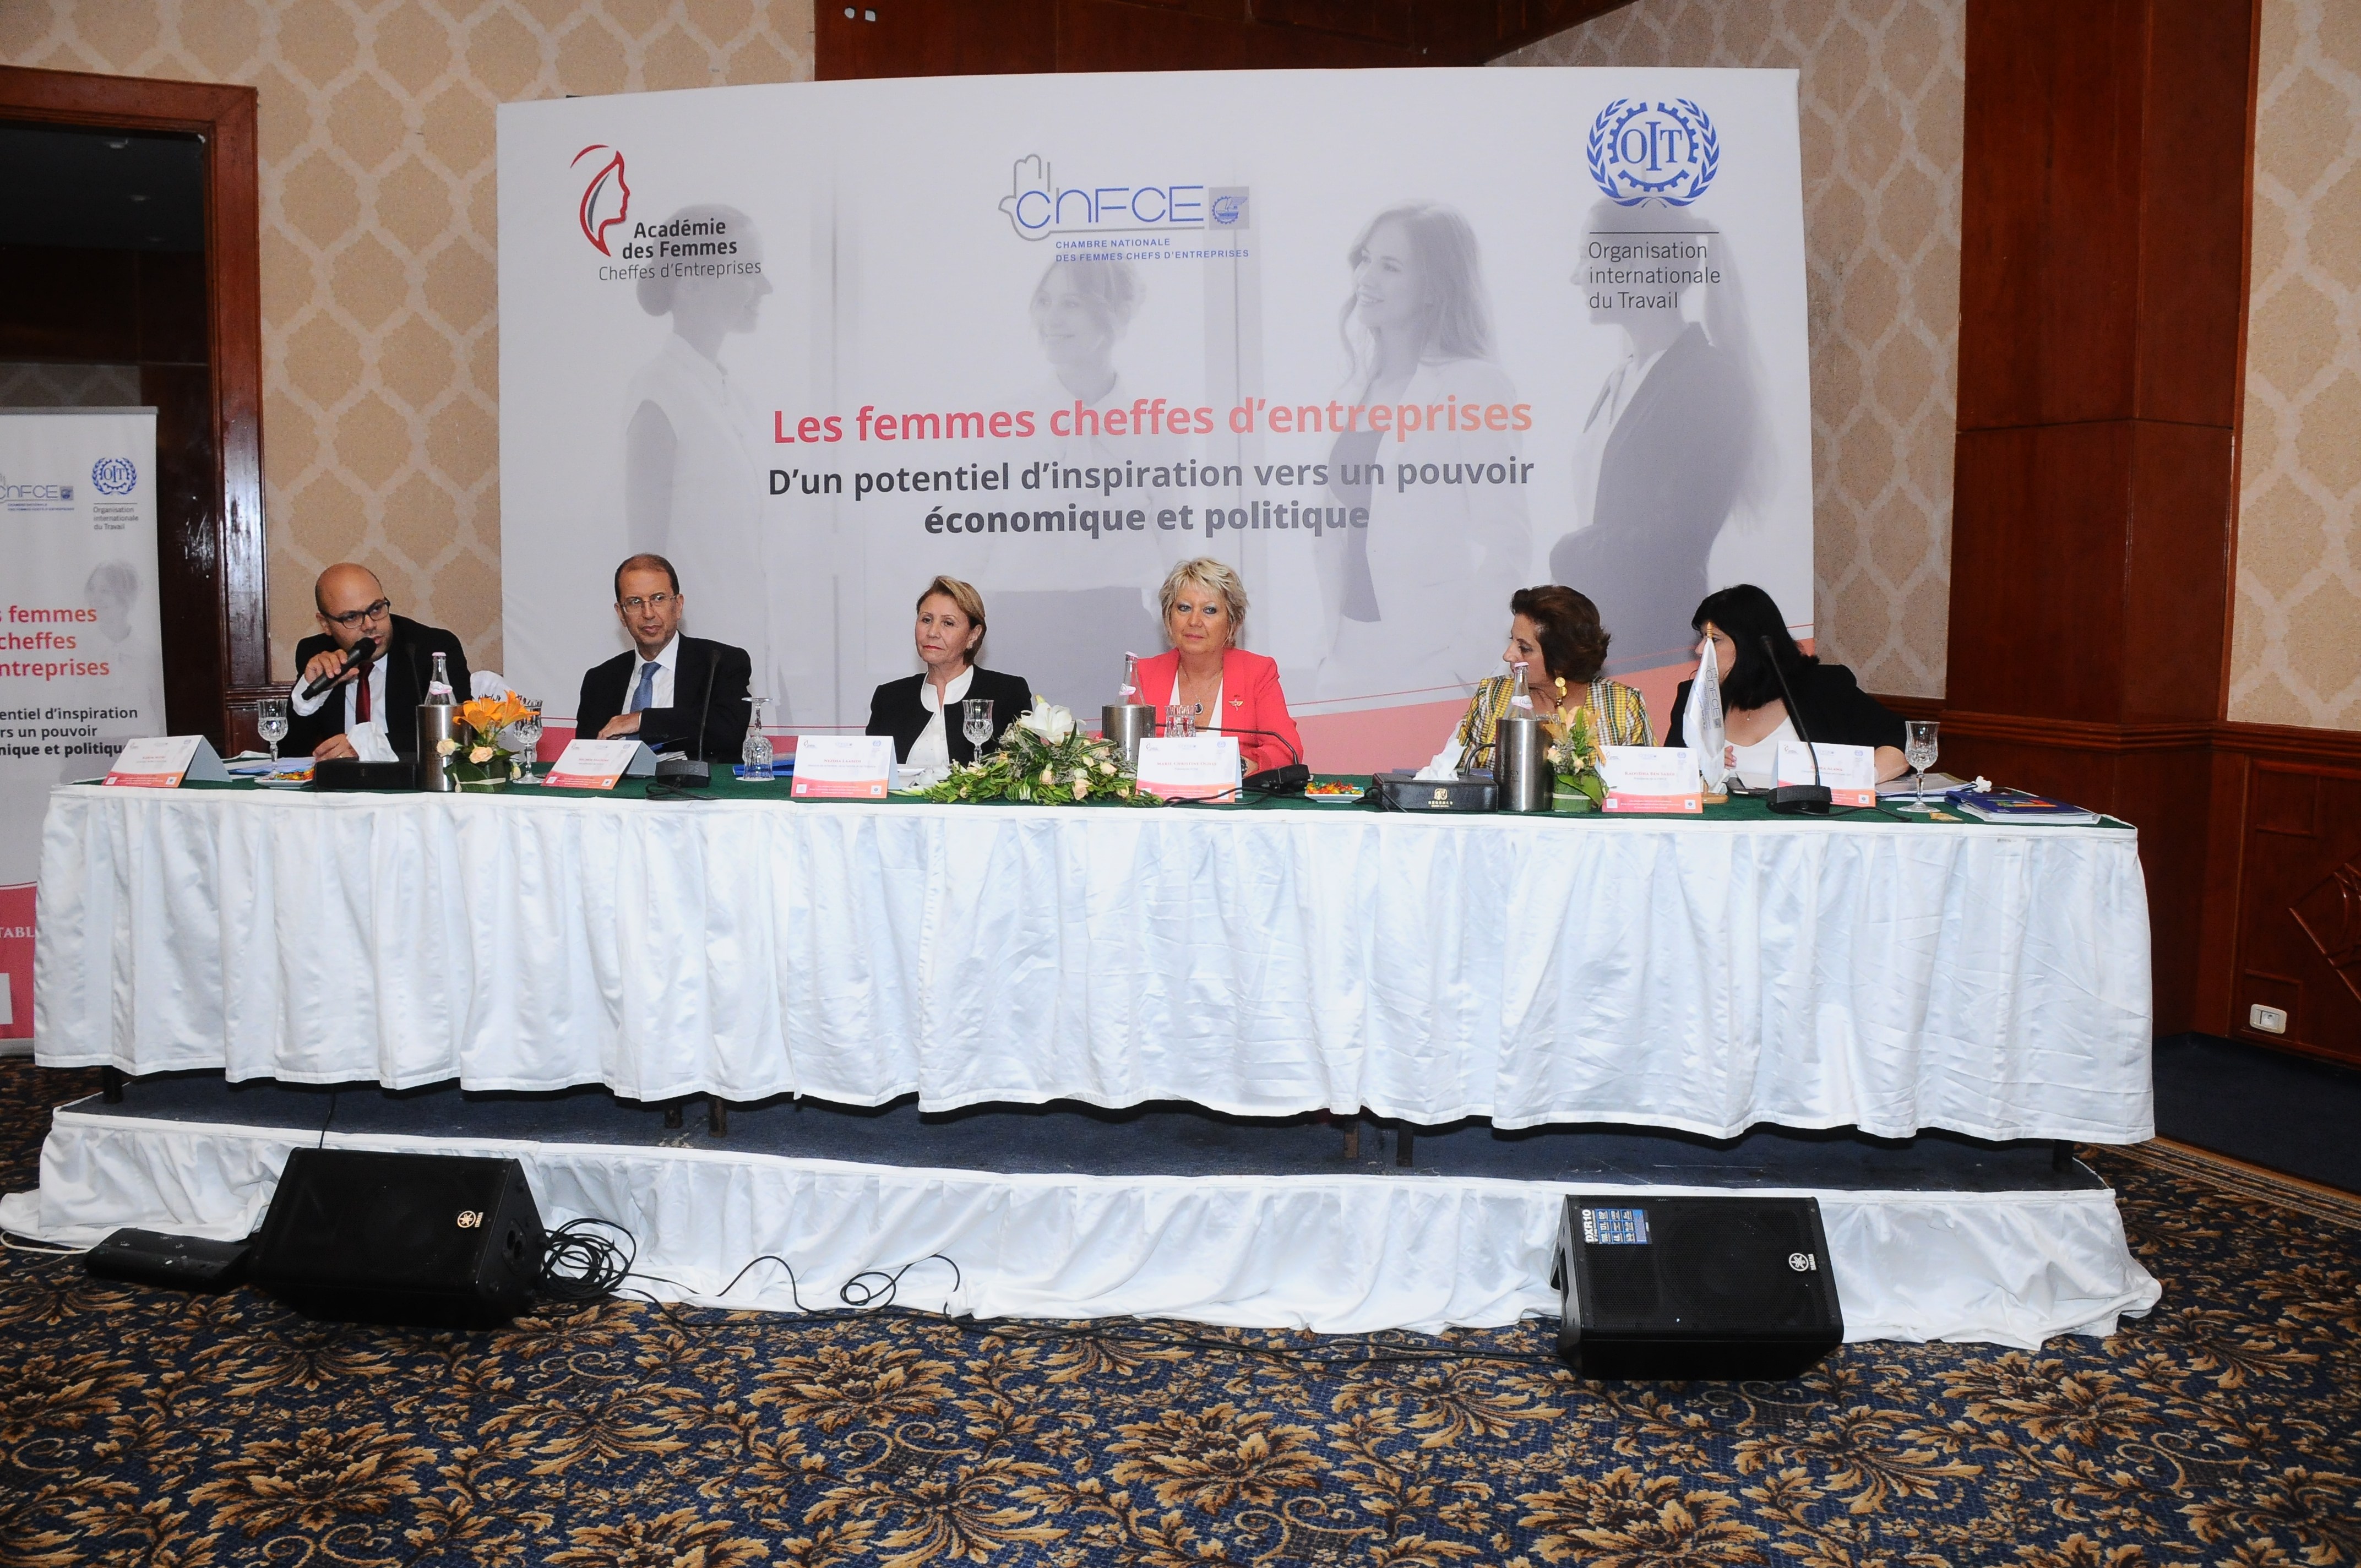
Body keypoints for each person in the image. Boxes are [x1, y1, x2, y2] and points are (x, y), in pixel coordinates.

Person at [1318, 200, 1528, 700]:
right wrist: (1328, 652)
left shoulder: (1475, 385)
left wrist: (1461, 669)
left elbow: (1508, 544)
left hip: (1433, 665)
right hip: (1345, 659)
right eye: (1366, 259)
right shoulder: (1350, 392)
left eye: (1390, 267)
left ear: (1435, 286)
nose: (1367, 278)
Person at [1550, 200, 1766, 676]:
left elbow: (1678, 536)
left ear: (1641, 264)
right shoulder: (1624, 377)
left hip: (1655, 644)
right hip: (1603, 638)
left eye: (1588, 257)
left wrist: (1567, 553)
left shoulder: (1707, 379)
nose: (1577, 277)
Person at [622, 205, 807, 721]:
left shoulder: (734, 397)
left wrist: (774, 676)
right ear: (692, 283)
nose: (765, 287)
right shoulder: (659, 395)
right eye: (748, 270)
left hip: (753, 665)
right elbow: (644, 567)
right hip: (696, 682)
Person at [1663, 584, 1907, 787]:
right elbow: (1669, 775)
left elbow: (1903, 740)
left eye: (1714, 640)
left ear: (1750, 645)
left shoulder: (1823, 688)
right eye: (1702, 638)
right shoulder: (1694, 699)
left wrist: (1859, 778)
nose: (1699, 650)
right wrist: (1698, 768)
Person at [1130, 557, 1303, 776]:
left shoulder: (1257, 673)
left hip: (1236, 797)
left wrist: (1236, 766)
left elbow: (1287, 750)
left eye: (1210, 610)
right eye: (1184, 608)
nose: (1194, 621)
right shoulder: (1144, 674)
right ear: (1168, 618)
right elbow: (1117, 747)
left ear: (1233, 622)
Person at [574, 553, 753, 764]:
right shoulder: (600, 680)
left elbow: (727, 732)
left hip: (694, 784)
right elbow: (586, 758)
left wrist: (642, 720)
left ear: (678, 606)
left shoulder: (720, 663)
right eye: (635, 602)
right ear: (621, 614)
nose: (648, 613)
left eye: (658, 599)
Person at [1450, 586, 1651, 768]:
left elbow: (1648, 786)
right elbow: (1454, 776)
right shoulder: (1491, 696)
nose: (1508, 655)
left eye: (1524, 648)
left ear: (1563, 659)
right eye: (1512, 640)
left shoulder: (1623, 704)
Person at [286, 564, 471, 762]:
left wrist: (366, 745)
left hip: (409, 779)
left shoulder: (430, 649)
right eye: (351, 617)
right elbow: (289, 751)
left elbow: (456, 736)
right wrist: (311, 692)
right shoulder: (317, 655)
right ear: (325, 624)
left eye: (376, 609)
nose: (370, 625)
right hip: (341, 781)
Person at [865, 576, 1032, 781]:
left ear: (973, 635)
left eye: (948, 623)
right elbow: (872, 778)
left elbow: (1023, 774)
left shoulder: (1007, 693)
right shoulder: (890, 697)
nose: (933, 632)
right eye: (927, 620)